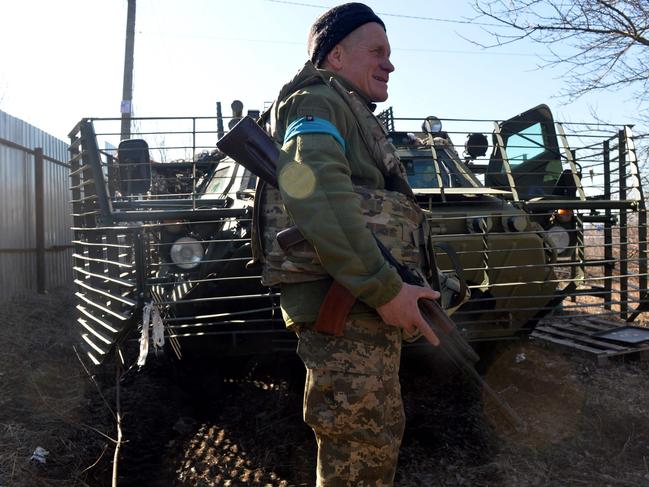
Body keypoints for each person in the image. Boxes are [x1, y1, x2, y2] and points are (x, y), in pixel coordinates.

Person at [257, 3, 441, 485]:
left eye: (390, 53)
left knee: (371, 442)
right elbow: (314, 189)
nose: (390, 63)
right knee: (361, 449)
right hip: (349, 306)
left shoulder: (345, 109)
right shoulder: (318, 102)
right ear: (335, 56)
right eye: (376, 51)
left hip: (358, 302)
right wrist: (384, 290)